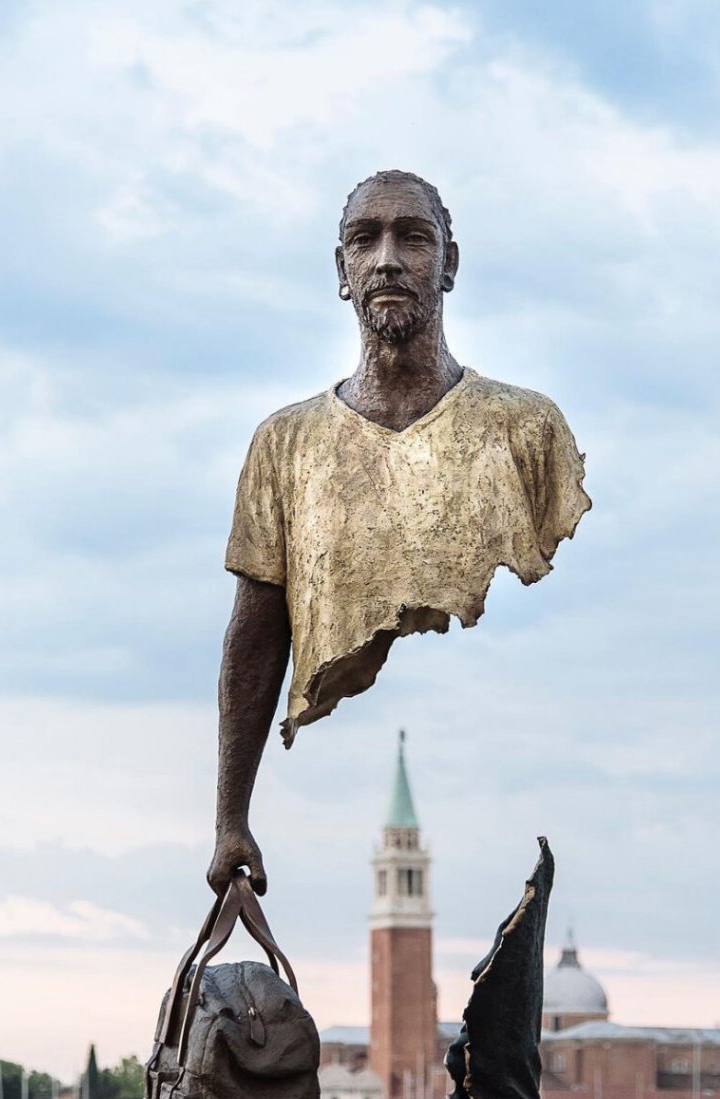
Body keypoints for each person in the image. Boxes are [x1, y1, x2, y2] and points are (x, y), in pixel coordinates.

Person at [208, 170, 590, 897]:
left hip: (515, 775)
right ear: (343, 272)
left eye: (412, 238)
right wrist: (231, 819)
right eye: (365, 239)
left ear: (448, 264)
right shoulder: (284, 444)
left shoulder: (527, 431)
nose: (386, 258)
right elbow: (254, 636)